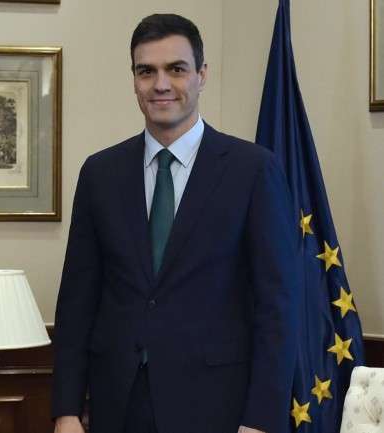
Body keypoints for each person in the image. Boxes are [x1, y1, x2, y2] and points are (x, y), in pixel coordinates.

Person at [52, 14, 299, 433]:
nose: (160, 84)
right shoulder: (100, 173)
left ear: (202, 75)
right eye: (146, 71)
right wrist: (66, 410)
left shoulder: (252, 170)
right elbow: (77, 301)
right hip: (118, 403)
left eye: (176, 69)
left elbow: (277, 307)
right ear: (133, 79)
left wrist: (261, 420)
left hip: (218, 406)